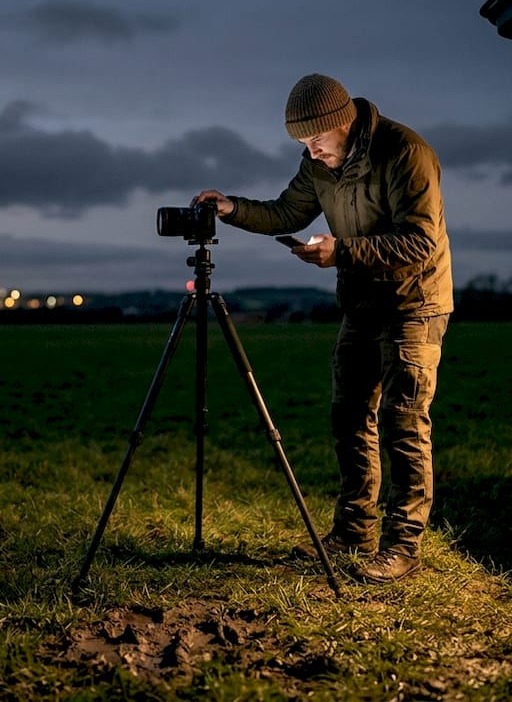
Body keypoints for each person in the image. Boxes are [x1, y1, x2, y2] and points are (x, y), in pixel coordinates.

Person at [192, 73, 451, 583]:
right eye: (302, 145)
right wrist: (231, 208)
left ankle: (403, 546)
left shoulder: (405, 152)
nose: (311, 154)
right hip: (361, 303)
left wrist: (342, 251)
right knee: (349, 416)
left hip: (413, 303)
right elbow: (288, 210)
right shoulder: (317, 162)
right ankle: (355, 531)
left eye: (316, 142)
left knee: (404, 420)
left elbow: (420, 241)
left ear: (342, 124)